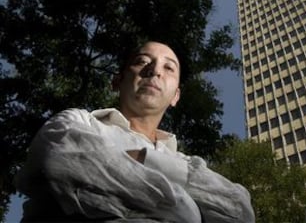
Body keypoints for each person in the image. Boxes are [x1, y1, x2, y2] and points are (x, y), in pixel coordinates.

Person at [15, 41, 255, 222]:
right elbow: (59, 161)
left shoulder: (185, 161)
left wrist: (146, 159)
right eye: (142, 61)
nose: (155, 70)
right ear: (117, 81)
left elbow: (239, 210)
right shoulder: (77, 122)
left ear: (176, 96)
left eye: (169, 68)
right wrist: (185, 208)